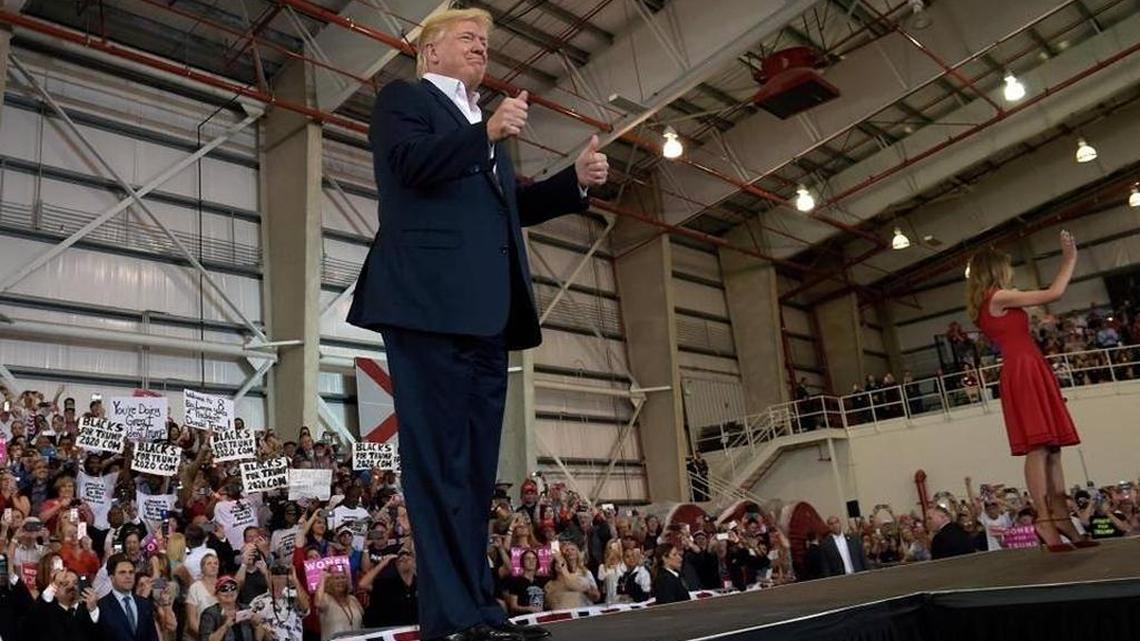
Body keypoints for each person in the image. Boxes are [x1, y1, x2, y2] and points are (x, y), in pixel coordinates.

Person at [345, 7, 607, 641]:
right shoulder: (402, 100)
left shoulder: (479, 126)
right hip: (428, 307)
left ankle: (479, 612)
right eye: (467, 39)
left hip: (488, 316)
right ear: (429, 52)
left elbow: (509, 204)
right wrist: (484, 134)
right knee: (437, 469)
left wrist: (572, 182)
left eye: (486, 42)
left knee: (472, 473)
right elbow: (408, 166)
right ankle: (451, 620)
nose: (481, 48)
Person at [966, 232, 1098, 551]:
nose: (1011, 272)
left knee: (1053, 447)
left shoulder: (990, 301)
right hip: (1023, 368)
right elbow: (1055, 291)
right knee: (1038, 446)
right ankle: (1044, 518)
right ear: (996, 270)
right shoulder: (997, 297)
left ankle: (1061, 515)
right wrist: (1069, 259)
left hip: (1030, 365)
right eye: (1006, 267)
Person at [97, 553, 160, 641]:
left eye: (131, 572)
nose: (128, 576)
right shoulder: (101, 606)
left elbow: (152, 637)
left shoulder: (144, 604)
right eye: (122, 572)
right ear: (112, 578)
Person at [29, 567, 101, 641]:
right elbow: (32, 621)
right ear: (55, 592)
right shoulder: (47, 613)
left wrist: (93, 610)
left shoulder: (88, 610)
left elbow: (98, 635)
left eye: (75, 583)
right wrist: (54, 584)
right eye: (65, 584)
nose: (71, 586)